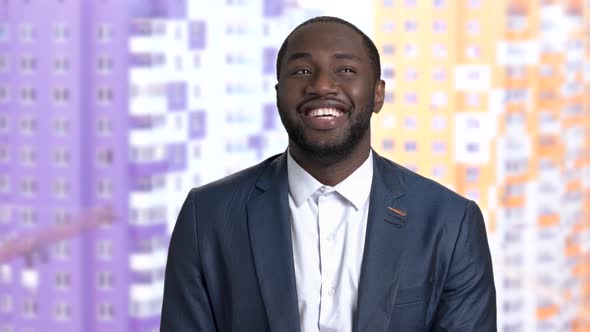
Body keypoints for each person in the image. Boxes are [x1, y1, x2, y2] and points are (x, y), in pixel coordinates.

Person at [160, 16, 496, 332]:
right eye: (302, 70)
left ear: (378, 94)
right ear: (278, 95)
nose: (321, 85)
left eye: (346, 69)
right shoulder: (206, 217)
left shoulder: (450, 222)